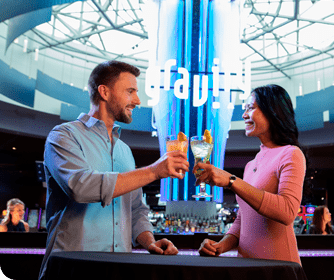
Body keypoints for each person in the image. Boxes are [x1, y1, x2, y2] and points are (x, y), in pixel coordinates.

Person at [38, 61, 189, 279]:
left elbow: (136, 209)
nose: (137, 101)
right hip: (72, 270)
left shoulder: (125, 150)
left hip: (119, 269)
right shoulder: (63, 136)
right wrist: (154, 171)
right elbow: (81, 187)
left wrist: (151, 241)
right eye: (130, 92)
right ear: (104, 92)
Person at [194, 84, 306, 265]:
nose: (244, 115)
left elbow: (287, 212)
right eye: (244, 109)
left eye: (251, 108)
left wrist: (231, 181)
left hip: (278, 267)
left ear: (273, 111)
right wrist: (220, 246)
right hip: (246, 266)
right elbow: (243, 219)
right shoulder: (250, 165)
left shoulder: (291, 154)